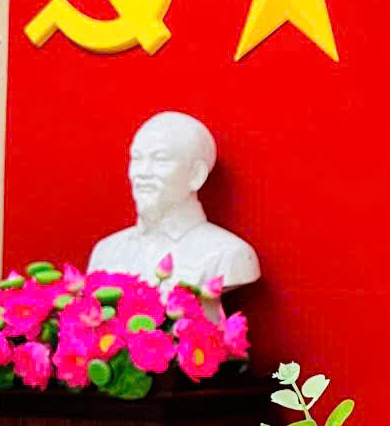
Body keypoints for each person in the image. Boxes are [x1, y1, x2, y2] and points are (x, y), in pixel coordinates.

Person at [89, 111, 261, 292]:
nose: (142, 173)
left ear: (196, 175)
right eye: (137, 158)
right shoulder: (106, 252)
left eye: (160, 159)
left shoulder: (228, 255)